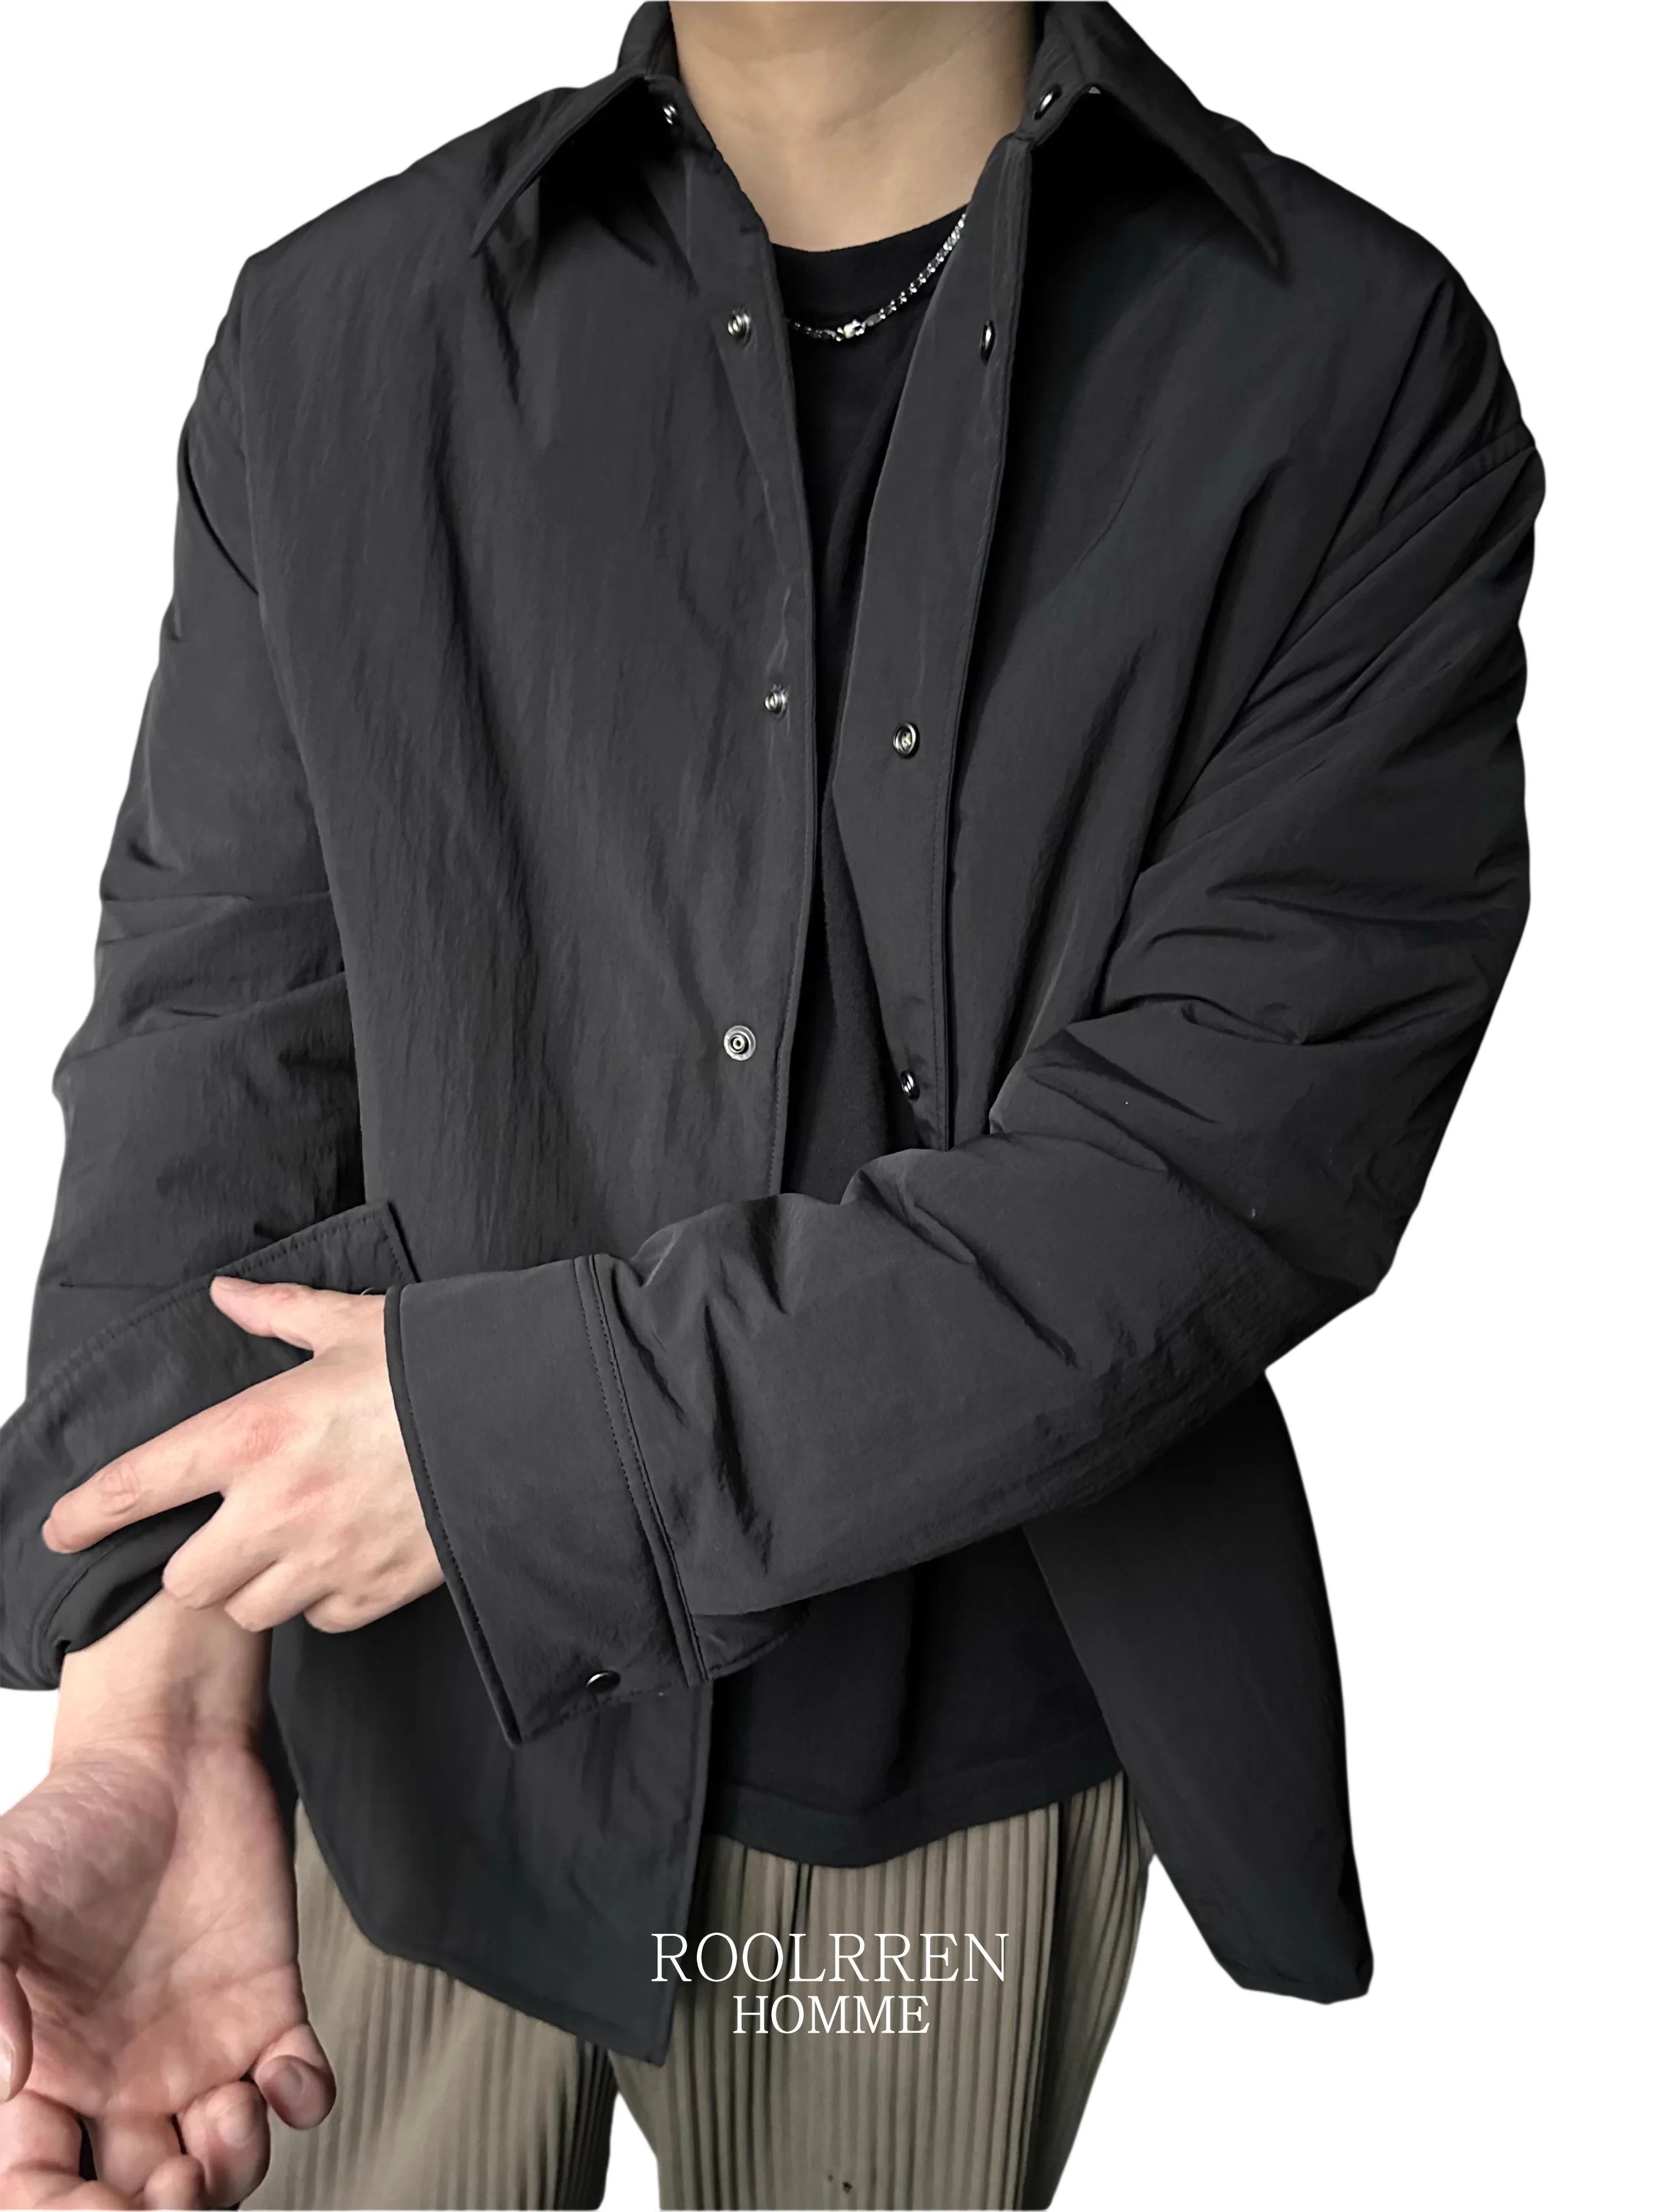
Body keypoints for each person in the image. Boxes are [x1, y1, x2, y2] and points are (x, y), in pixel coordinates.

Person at [0, 2, 1541, 2206]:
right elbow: (219, 1055)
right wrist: (154, 1709)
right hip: (386, 1755)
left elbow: (1218, 1166)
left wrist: (514, 1450)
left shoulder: (1342, 365)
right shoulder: (339, 329)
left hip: (941, 1799)